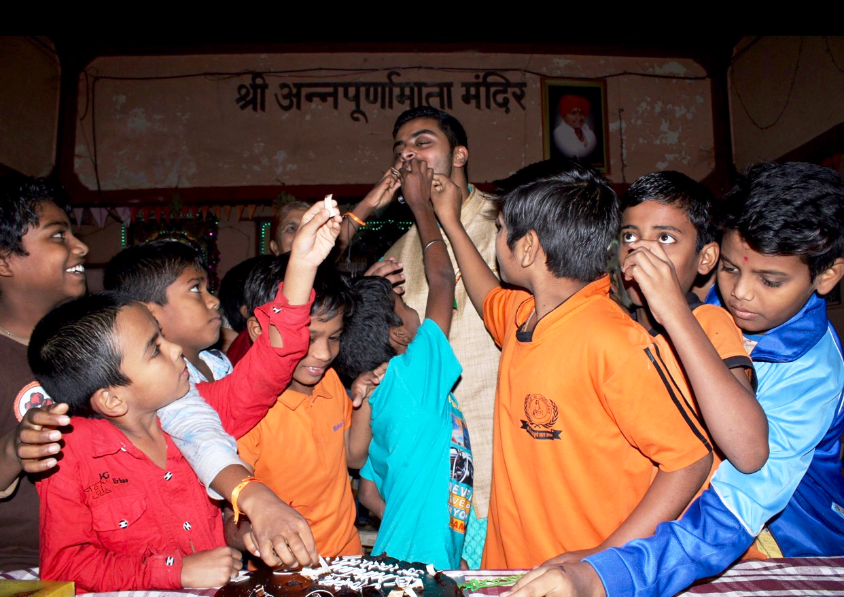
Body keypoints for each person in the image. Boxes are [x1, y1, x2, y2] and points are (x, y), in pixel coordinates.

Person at [509, 162, 844, 597]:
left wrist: (609, 572)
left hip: (785, 549)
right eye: (730, 269)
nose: (741, 292)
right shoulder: (716, 302)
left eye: (770, 280)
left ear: (827, 275)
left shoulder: (813, 374)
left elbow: (738, 503)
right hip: (680, 533)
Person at [33, 201, 343, 592]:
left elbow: (272, 361)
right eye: (155, 348)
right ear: (112, 399)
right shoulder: (68, 451)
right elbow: (64, 566)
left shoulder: (199, 411)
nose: (175, 349)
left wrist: (301, 266)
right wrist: (174, 571)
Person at [432, 159, 712, 569]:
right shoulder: (524, 315)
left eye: (500, 229)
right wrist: (452, 223)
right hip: (516, 571)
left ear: (527, 247)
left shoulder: (611, 340)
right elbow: (486, 293)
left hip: (586, 578)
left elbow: (690, 460)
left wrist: (603, 558)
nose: (496, 241)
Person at [335, 159, 472, 569]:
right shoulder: (413, 374)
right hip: (424, 561)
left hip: (398, 554)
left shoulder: (377, 397)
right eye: (404, 305)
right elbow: (443, 280)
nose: (414, 310)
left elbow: (367, 491)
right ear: (398, 336)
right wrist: (421, 207)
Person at [381, 107, 499, 567]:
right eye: (400, 149)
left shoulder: (506, 222)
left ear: (460, 155)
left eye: (423, 143)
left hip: (502, 448)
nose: (408, 155)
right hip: (436, 467)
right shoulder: (397, 253)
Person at [617, 171, 767, 475]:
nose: (641, 251)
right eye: (629, 236)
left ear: (706, 258)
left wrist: (673, 312)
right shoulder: (616, 329)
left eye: (665, 238)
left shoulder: (707, 322)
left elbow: (749, 453)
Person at [232, 256, 370, 557]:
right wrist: (258, 535)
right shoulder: (246, 409)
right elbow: (232, 517)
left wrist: (365, 399)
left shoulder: (329, 381)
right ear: (258, 329)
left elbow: (354, 458)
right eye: (309, 338)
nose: (324, 354)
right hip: (286, 568)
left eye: (335, 337)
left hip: (348, 556)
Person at [0, 176, 87, 570]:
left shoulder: (91, 343)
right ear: (5, 261)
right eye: (58, 235)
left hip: (103, 557)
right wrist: (13, 448)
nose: (80, 247)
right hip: (21, 565)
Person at [553, 95, 597, 160]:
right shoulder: (558, 134)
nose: (579, 117)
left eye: (581, 112)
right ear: (564, 115)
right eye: (573, 113)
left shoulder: (590, 134)